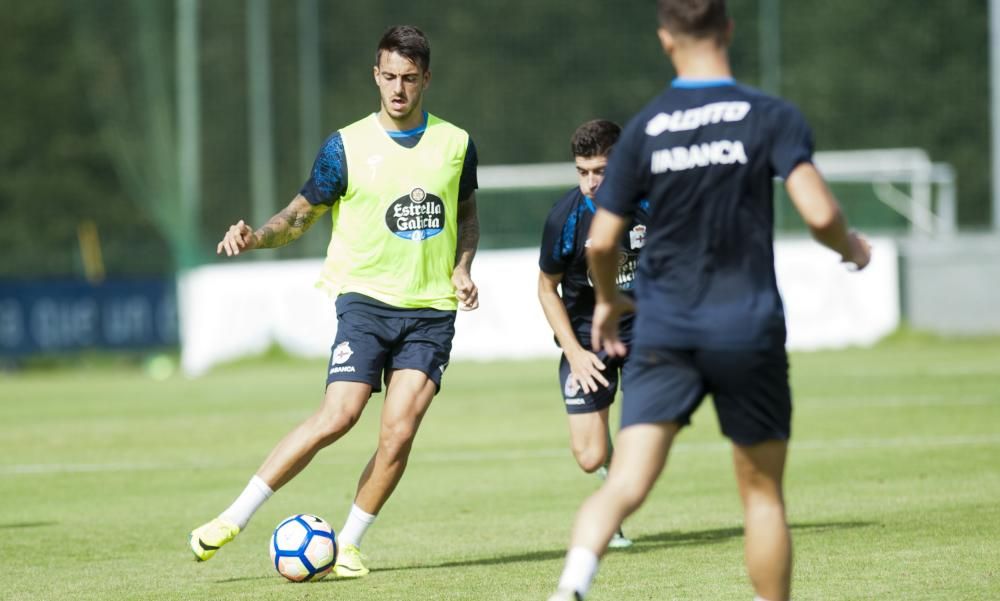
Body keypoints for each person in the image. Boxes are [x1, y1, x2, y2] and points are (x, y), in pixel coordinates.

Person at [547, 1, 871, 600]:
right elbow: (821, 212)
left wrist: (609, 300)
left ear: (666, 39)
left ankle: (571, 585)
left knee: (622, 485)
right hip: (746, 324)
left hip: (666, 330)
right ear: (728, 29)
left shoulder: (645, 128)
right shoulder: (769, 114)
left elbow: (602, 241)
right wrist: (852, 246)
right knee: (762, 495)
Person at [189, 25, 480, 579]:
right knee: (339, 415)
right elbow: (299, 215)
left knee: (398, 432)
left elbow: (466, 215)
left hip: (430, 312)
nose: (398, 89)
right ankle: (233, 516)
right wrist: (257, 236)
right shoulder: (344, 147)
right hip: (365, 303)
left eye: (410, 79)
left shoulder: (457, 143)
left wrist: (463, 267)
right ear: (375, 75)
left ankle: (347, 544)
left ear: (427, 80)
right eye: (389, 77)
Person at [537, 119, 649, 549]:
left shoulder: (652, 203)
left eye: (600, 170)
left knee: (642, 436)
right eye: (582, 172)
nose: (591, 183)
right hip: (586, 338)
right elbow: (546, 289)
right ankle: (610, 480)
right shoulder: (564, 218)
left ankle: (611, 514)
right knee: (589, 457)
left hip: (645, 333)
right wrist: (575, 353)